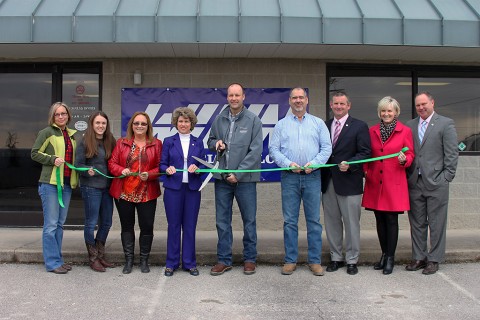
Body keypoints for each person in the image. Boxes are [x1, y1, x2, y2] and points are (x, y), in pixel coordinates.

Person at [269, 87, 332, 276]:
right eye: (294, 98)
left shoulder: (318, 123)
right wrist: (288, 164)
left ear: (307, 100)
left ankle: (314, 261)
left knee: (314, 221)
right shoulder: (281, 125)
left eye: (301, 98)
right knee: (290, 221)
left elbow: (326, 148)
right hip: (290, 177)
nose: (298, 101)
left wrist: (314, 164)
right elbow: (274, 150)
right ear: (289, 101)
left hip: (313, 176)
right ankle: (290, 260)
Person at [207, 83, 263, 276]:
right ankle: (224, 260)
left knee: (249, 221)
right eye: (231, 95)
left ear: (243, 97)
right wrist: (217, 144)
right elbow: (210, 140)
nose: (233, 98)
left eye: (237, 95)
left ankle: (250, 259)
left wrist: (237, 173)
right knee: (222, 221)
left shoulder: (253, 120)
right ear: (227, 97)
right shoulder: (220, 118)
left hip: (245, 180)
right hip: (222, 179)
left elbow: (255, 152)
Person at [405, 92, 459, 275]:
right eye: (418, 105)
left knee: (436, 223)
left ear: (432, 103)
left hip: (437, 182)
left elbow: (451, 154)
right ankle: (419, 257)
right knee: (417, 222)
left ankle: (434, 259)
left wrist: (447, 177)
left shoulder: (445, 124)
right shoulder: (410, 125)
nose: (421, 107)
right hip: (415, 181)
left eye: (424, 104)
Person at [362, 96, 414, 275]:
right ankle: (384, 254)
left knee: (391, 220)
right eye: (383, 110)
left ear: (396, 112)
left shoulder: (405, 131)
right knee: (379, 219)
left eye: (389, 110)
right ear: (379, 112)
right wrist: (366, 170)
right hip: (375, 181)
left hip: (394, 182)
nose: (386, 113)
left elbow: (411, 155)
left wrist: (404, 160)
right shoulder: (372, 131)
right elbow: (367, 153)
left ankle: (391, 257)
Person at [321, 92, 371, 276]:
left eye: (342, 103)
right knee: (332, 222)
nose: (339, 106)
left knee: (351, 223)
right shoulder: (324, 126)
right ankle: (336, 257)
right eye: (336, 103)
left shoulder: (359, 126)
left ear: (348, 105)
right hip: (328, 181)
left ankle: (352, 259)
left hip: (350, 181)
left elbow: (365, 152)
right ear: (331, 105)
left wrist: (350, 164)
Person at [108, 111, 162, 274]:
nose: (139, 126)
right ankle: (129, 260)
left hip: (147, 193)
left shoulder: (156, 143)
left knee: (147, 227)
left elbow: (162, 166)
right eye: (136, 123)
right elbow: (112, 163)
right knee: (127, 227)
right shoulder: (122, 143)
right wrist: (121, 170)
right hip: (124, 193)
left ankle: (144, 260)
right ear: (132, 125)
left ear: (148, 127)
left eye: (143, 124)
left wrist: (150, 174)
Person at [31, 102, 80, 274]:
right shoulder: (46, 133)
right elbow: (34, 153)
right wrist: (52, 159)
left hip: (66, 184)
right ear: (53, 116)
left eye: (64, 114)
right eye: (57, 114)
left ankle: (58, 259)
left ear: (68, 115)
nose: (61, 117)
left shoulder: (71, 135)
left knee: (59, 224)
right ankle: (52, 263)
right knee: (51, 225)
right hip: (50, 184)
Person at [160, 107, 205, 277]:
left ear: (191, 123)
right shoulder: (169, 141)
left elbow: (202, 166)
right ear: (176, 123)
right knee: (173, 226)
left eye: (186, 121)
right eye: (180, 121)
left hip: (192, 189)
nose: (183, 124)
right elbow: (162, 165)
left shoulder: (198, 142)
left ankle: (189, 263)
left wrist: (197, 168)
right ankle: (171, 263)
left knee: (190, 227)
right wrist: (168, 168)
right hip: (173, 189)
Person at [75, 111, 116, 272]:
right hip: (91, 187)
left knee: (107, 222)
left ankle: (100, 254)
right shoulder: (85, 141)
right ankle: (92, 258)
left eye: (103, 123)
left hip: (107, 188)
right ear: (92, 124)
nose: (100, 126)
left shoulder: (110, 140)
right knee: (91, 222)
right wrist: (86, 170)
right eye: (98, 123)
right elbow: (78, 165)